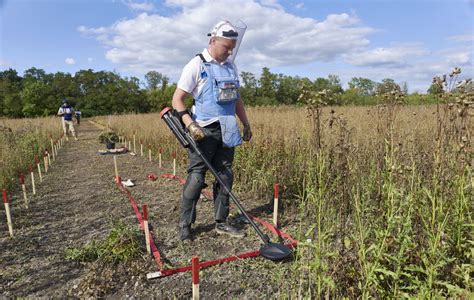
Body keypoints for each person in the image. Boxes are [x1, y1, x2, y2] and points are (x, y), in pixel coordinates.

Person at [172, 20, 252, 241]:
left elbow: (237, 99)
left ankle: (221, 222)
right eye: (226, 46)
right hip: (204, 131)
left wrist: (245, 123)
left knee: (225, 175)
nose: (230, 51)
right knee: (197, 178)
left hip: (228, 128)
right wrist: (190, 124)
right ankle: (185, 224)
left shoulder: (230, 67)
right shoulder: (196, 65)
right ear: (213, 41)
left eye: (232, 47)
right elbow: (177, 100)